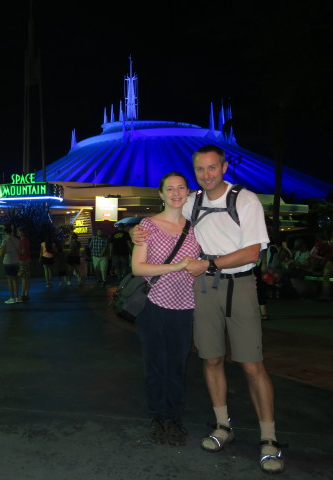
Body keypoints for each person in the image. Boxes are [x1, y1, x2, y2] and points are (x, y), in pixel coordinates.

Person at [133, 144, 285, 474]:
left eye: (212, 168)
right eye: (200, 170)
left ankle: (269, 438)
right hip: (201, 290)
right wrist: (135, 229)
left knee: (251, 364)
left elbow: (252, 252)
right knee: (211, 358)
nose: (206, 175)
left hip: (239, 284)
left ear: (224, 167)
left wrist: (210, 263)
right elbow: (165, 210)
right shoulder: (192, 200)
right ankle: (222, 426)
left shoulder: (244, 199)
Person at [131, 172, 200, 446]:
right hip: (153, 305)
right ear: (160, 194)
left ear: (188, 192)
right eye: (169, 189)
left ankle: (175, 417)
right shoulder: (148, 225)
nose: (175, 193)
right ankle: (157, 417)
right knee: (156, 365)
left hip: (185, 305)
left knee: (177, 365)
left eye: (180, 187)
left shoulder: (196, 227)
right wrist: (177, 266)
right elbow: (137, 267)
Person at [0, 224, 21, 304]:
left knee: (10, 280)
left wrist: (1, 251)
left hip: (8, 261)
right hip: (16, 261)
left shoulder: (5, 240)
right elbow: (19, 251)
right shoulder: (17, 239)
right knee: (15, 280)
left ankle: (11, 297)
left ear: (5, 231)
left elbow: (3, 252)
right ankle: (17, 297)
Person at [17, 227, 31, 301]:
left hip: (23, 260)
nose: (17, 233)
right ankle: (26, 294)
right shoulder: (27, 240)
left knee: (23, 278)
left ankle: (22, 295)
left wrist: (16, 250)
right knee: (26, 278)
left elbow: (23, 252)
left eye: (19, 231)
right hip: (27, 260)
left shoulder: (23, 241)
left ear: (23, 232)